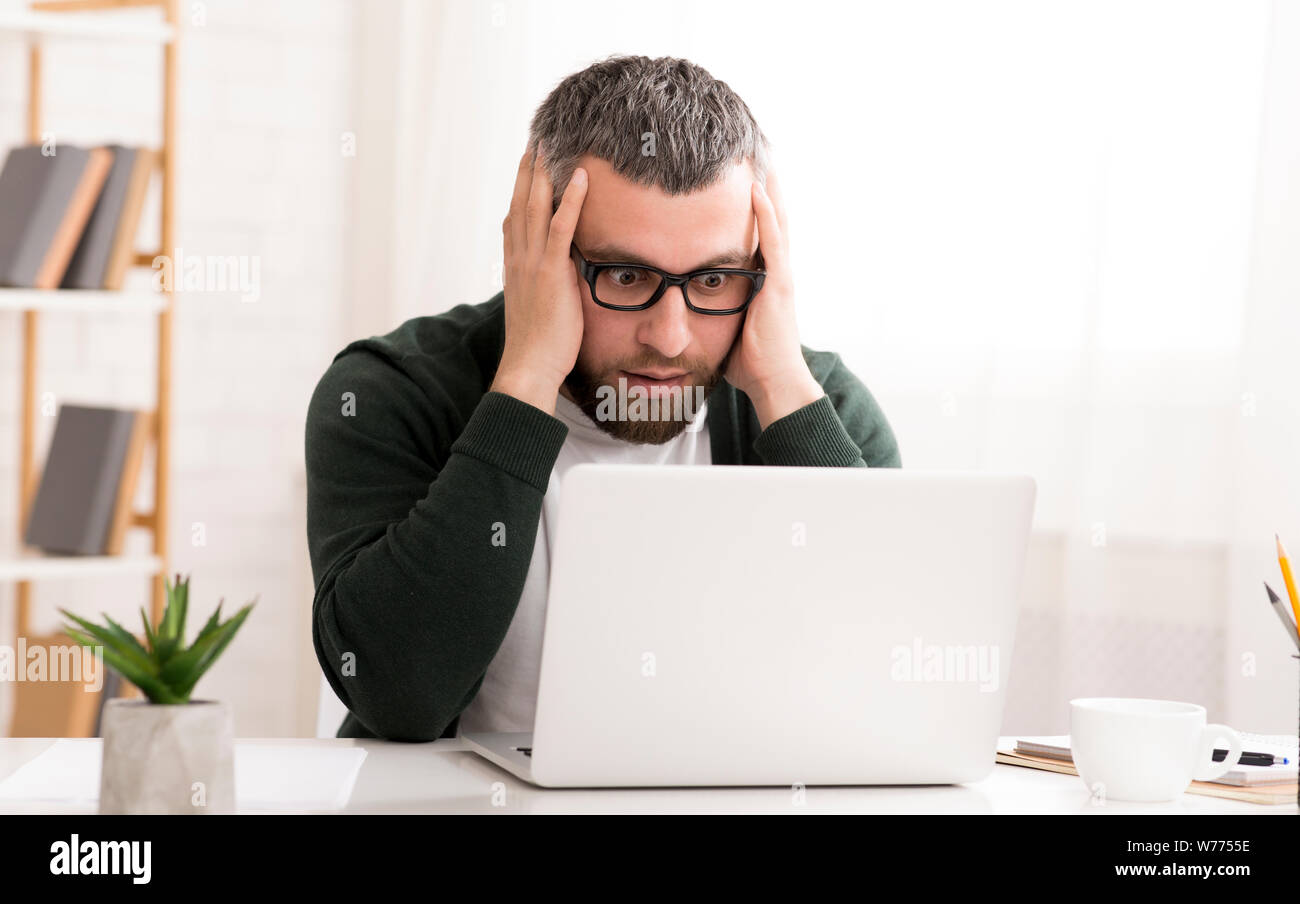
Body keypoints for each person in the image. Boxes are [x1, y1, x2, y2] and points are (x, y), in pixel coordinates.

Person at [306, 55, 901, 741]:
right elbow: (399, 696)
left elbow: (885, 681)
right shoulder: (390, 392)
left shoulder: (815, 405)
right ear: (539, 249)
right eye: (624, 275)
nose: (671, 337)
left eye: (713, 281)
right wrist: (527, 376)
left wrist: (782, 389)